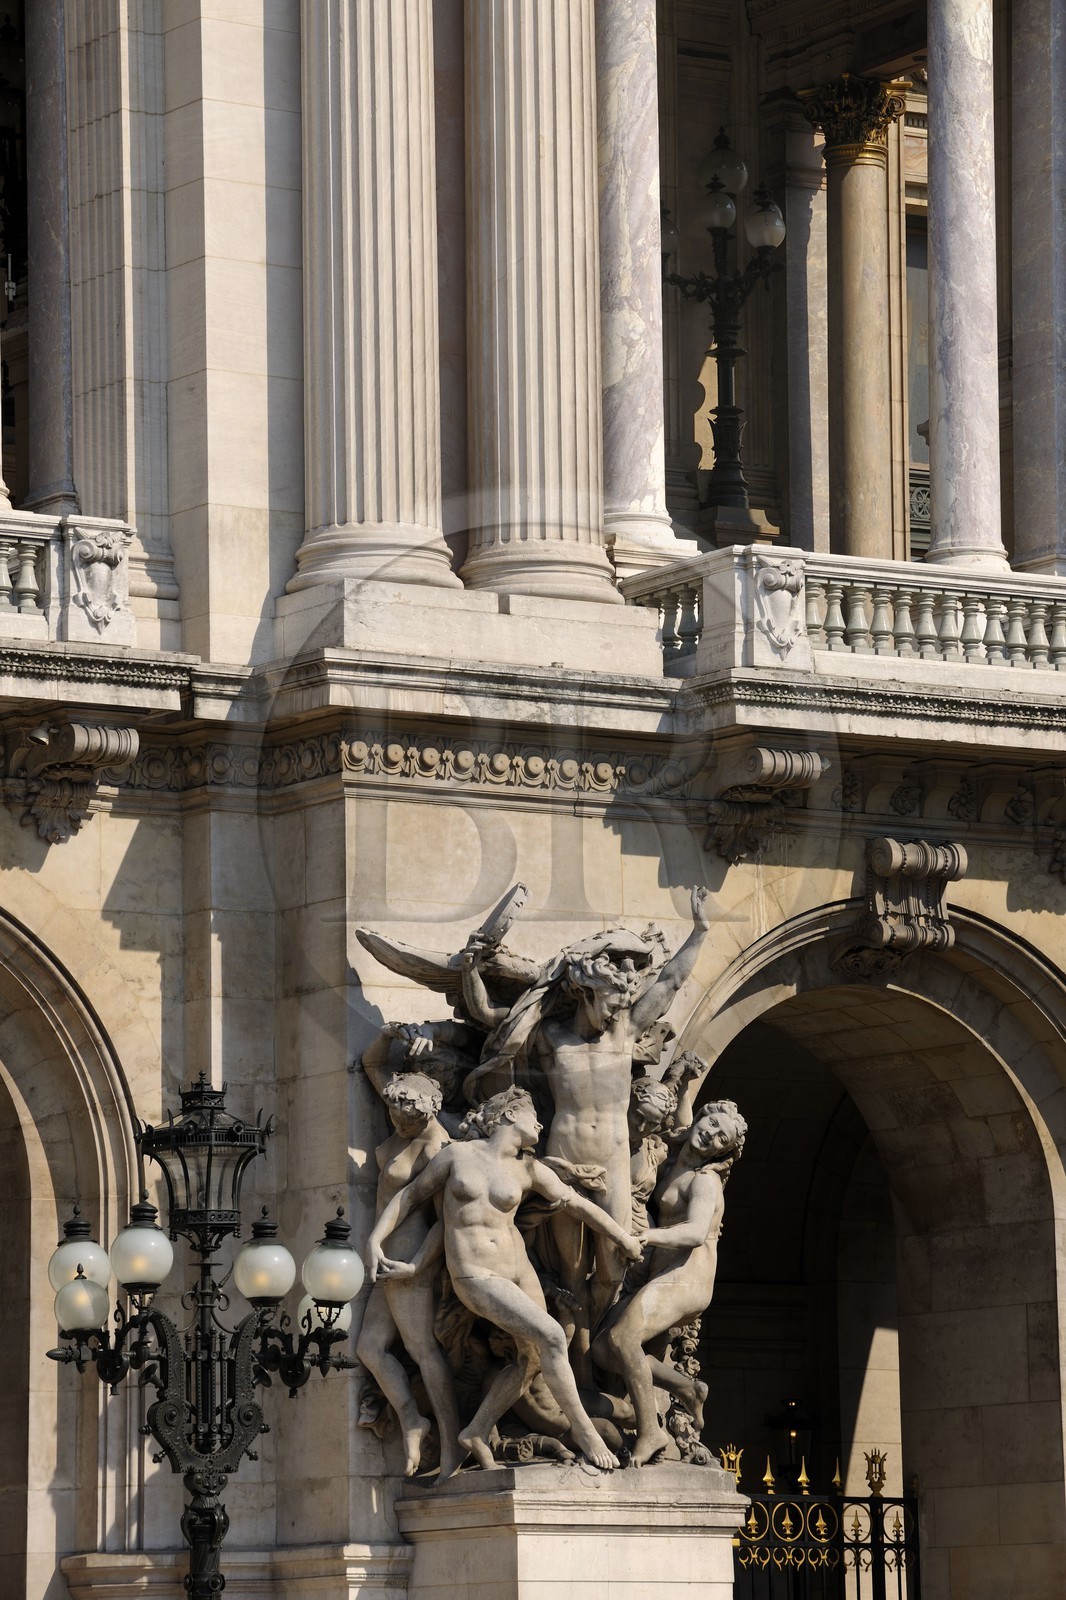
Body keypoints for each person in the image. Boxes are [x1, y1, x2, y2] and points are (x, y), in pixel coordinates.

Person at [366, 1086, 643, 1472]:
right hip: (475, 1273)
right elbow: (411, 1197)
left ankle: (476, 1431)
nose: (541, 1123)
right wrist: (377, 1240)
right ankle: (585, 1432)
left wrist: (623, 1236)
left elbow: (578, 1205)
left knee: (532, 1359)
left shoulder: (528, 1169)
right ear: (511, 1114)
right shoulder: (457, 1156)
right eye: (533, 1116)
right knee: (549, 1336)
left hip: (518, 1272)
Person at [592, 1099, 747, 1466]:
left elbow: (694, 1233)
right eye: (711, 1125)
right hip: (663, 1273)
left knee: (621, 1339)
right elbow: (679, 1112)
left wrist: (648, 1237)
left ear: (724, 1151)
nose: (710, 1135)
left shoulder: (705, 1181)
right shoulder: (676, 1152)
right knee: (602, 1350)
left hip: (688, 1277)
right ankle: (686, 1388)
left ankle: (650, 1430)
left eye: (720, 1138)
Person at [354, 1072, 464, 1480]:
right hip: (387, 1254)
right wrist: (396, 1035)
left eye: (406, 1118)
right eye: (392, 1112)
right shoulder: (405, 1114)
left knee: (422, 1350)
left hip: (407, 1256)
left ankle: (451, 1443)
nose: (397, 1123)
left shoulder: (438, 1145)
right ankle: (411, 1417)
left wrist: (419, 1263)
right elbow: (371, 1059)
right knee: (369, 1348)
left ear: (429, 1109)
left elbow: (443, 1219)